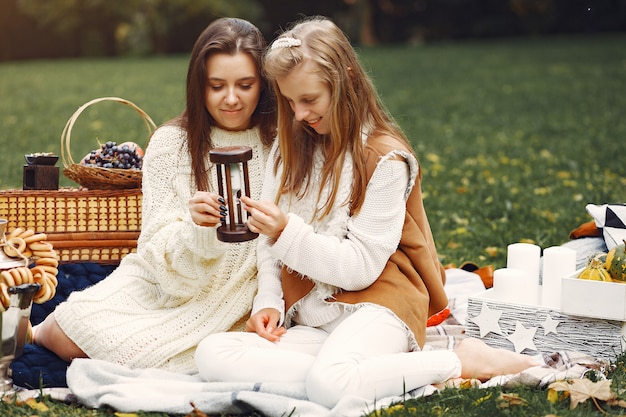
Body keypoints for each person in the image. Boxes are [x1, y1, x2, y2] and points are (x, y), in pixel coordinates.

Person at [194, 16, 539, 408]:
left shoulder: (385, 158)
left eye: (309, 99)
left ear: (343, 85)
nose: (299, 114)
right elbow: (269, 245)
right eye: (289, 101)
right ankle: (364, 372)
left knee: (331, 385)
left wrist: (286, 230)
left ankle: (456, 360)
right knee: (213, 354)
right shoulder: (293, 145)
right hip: (319, 316)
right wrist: (269, 302)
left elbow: (359, 269)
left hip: (378, 302)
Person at [31, 17, 276, 373]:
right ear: (199, 85)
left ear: (263, 85)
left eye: (245, 84)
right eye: (217, 85)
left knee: (162, 353)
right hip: (163, 284)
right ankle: (35, 333)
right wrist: (198, 230)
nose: (231, 99)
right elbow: (155, 250)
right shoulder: (171, 144)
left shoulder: (280, 142)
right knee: (77, 323)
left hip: (239, 294)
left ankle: (42, 333)